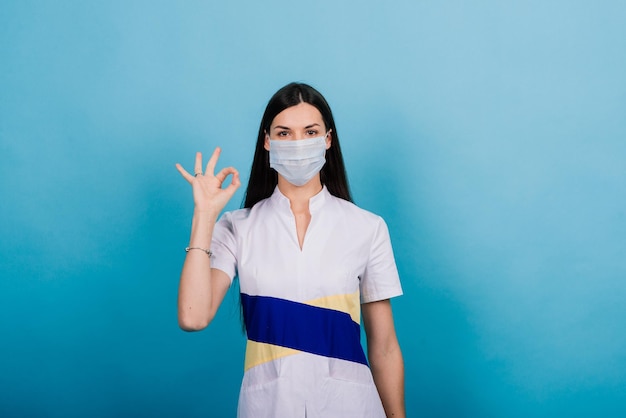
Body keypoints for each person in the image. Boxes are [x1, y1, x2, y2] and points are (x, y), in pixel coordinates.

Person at [175, 82, 405, 417]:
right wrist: (205, 215)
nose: (298, 144)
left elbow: (383, 347)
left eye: (310, 131)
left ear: (328, 139)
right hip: (269, 407)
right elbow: (193, 316)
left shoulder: (367, 228)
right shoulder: (238, 227)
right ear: (267, 141)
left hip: (351, 406)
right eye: (284, 133)